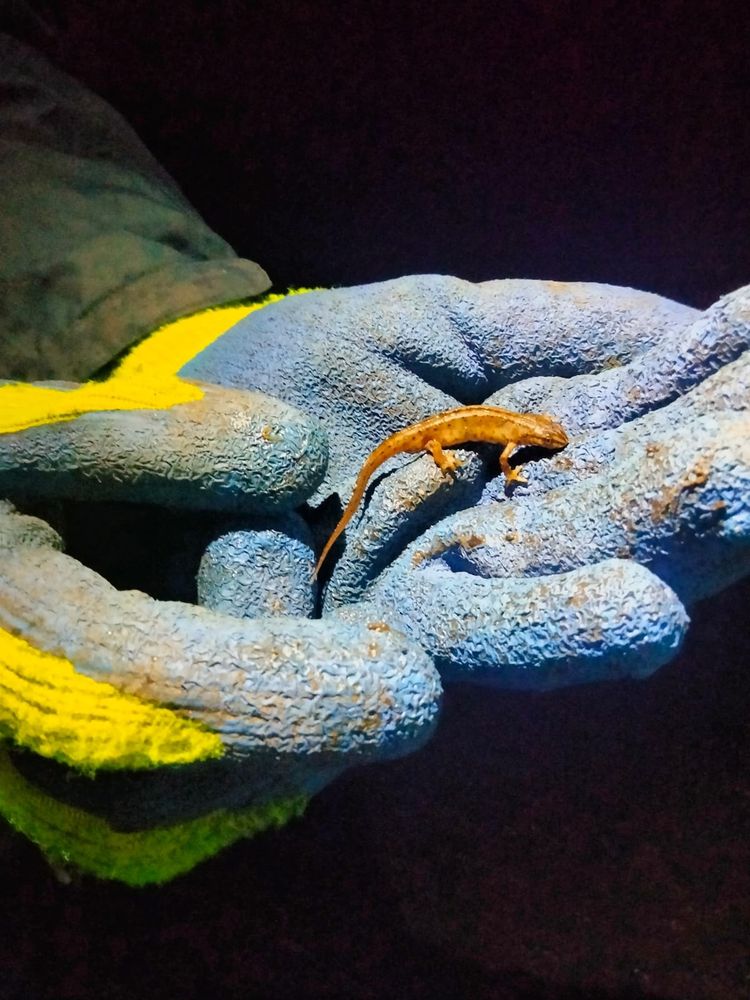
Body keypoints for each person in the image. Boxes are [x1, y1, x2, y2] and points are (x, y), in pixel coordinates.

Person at [1, 31, 748, 884]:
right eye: (537, 446)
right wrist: (472, 464)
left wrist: (152, 320)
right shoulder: (494, 440)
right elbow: (479, 440)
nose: (537, 449)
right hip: (422, 438)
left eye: (533, 448)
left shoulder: (517, 430)